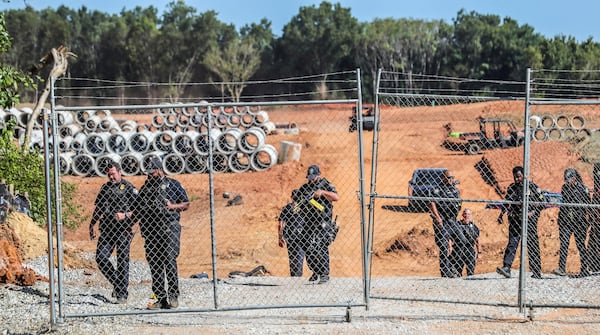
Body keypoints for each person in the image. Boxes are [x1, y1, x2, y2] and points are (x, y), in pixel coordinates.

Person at [134, 157, 189, 310]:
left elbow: (186, 204)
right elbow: (137, 209)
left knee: (169, 260)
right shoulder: (146, 188)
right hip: (151, 231)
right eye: (148, 173)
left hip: (169, 228)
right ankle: (159, 297)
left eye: (152, 172)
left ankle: (173, 296)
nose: (149, 175)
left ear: (159, 170)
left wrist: (172, 206)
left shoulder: (173, 184)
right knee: (155, 264)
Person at [89, 162, 138, 304]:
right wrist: (91, 225)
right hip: (107, 230)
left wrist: (126, 215)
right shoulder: (104, 188)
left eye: (113, 174)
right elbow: (98, 208)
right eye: (108, 174)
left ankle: (122, 294)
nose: (111, 177)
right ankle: (118, 284)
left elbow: (140, 209)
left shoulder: (129, 188)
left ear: (120, 172)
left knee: (122, 261)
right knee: (101, 258)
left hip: (123, 230)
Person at [496, 166, 544, 279]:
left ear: (524, 175)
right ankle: (506, 268)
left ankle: (536, 271)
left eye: (518, 176)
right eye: (514, 177)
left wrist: (533, 213)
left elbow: (542, 202)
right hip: (515, 220)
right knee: (512, 243)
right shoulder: (512, 188)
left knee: (532, 245)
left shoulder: (532, 187)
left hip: (529, 221)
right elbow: (506, 202)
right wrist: (501, 215)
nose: (516, 179)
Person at [298, 164, 338, 284]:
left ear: (319, 174)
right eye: (309, 177)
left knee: (321, 245)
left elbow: (336, 197)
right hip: (309, 220)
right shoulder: (305, 187)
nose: (311, 179)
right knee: (305, 244)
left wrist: (322, 193)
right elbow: (297, 199)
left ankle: (324, 274)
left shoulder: (326, 185)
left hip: (323, 220)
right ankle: (316, 270)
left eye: (313, 177)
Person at [553, 168, 591, 277]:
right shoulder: (564, 188)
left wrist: (587, 220)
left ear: (574, 178)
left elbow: (587, 205)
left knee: (580, 245)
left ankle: (584, 268)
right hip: (566, 221)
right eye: (566, 180)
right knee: (564, 244)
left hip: (579, 221)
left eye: (569, 179)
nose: (567, 182)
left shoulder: (583, 189)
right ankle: (561, 268)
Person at [428, 169, 465, 278]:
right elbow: (432, 203)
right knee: (444, 246)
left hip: (452, 220)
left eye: (452, 178)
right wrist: (438, 217)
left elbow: (459, 201)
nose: (451, 180)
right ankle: (445, 271)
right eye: (449, 178)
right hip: (442, 220)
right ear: (443, 178)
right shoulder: (437, 189)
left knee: (462, 241)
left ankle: (451, 263)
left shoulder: (455, 189)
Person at [278, 189, 306, 277]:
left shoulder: (286, 208)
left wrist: (280, 237)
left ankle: (294, 275)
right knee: (300, 256)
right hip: (302, 235)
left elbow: (280, 224)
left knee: (292, 256)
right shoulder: (305, 208)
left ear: (291, 197)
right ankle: (297, 276)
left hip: (290, 235)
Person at [451, 208, 481, 277]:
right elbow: (451, 237)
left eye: (468, 214)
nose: (466, 216)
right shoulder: (457, 225)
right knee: (457, 271)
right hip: (458, 249)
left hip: (469, 249)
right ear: (462, 215)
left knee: (470, 271)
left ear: (471, 216)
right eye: (465, 214)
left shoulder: (473, 226)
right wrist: (450, 247)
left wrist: (479, 252)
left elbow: (477, 240)